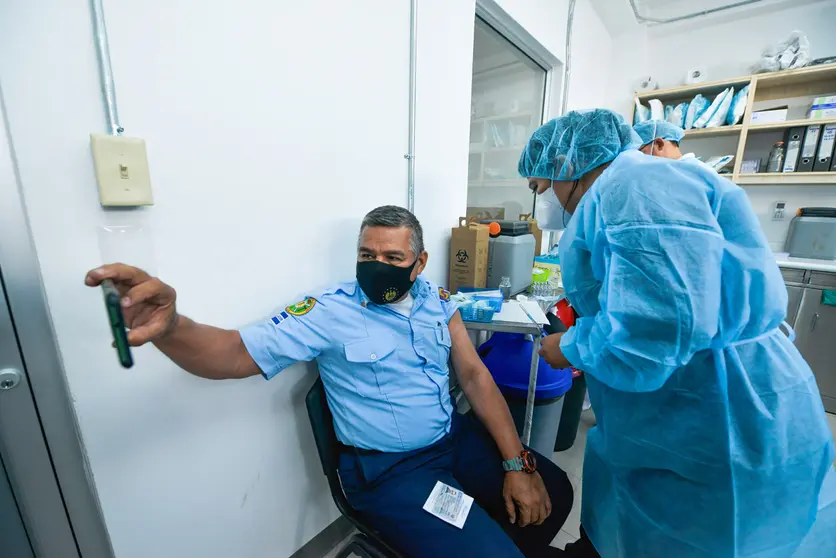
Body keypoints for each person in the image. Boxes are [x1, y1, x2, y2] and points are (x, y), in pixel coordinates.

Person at [84, 205, 574, 558]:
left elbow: (473, 375)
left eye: (393, 257)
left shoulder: (436, 299)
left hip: (453, 442)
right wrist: (173, 327)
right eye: (366, 253)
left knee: (555, 492)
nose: (376, 265)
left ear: (419, 264)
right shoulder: (328, 311)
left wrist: (517, 462)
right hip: (392, 473)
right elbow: (232, 353)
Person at [518, 109, 836, 558]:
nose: (540, 199)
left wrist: (569, 346)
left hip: (723, 409)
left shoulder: (635, 189)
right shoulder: (624, 192)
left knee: (710, 538)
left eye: (539, 186)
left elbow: (657, 329)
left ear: (567, 165)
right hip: (684, 402)